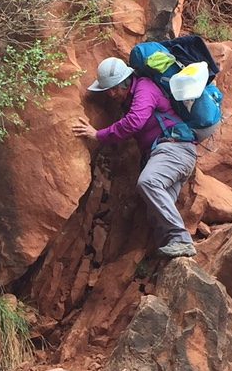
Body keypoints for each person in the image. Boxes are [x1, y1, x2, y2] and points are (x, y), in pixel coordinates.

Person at [72, 57, 197, 259]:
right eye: (108, 90)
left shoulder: (145, 88)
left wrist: (98, 135)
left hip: (175, 149)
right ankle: (176, 259)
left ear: (126, 81)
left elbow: (134, 122)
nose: (112, 94)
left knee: (148, 182)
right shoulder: (131, 98)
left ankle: (182, 240)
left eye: (114, 88)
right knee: (156, 213)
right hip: (166, 153)